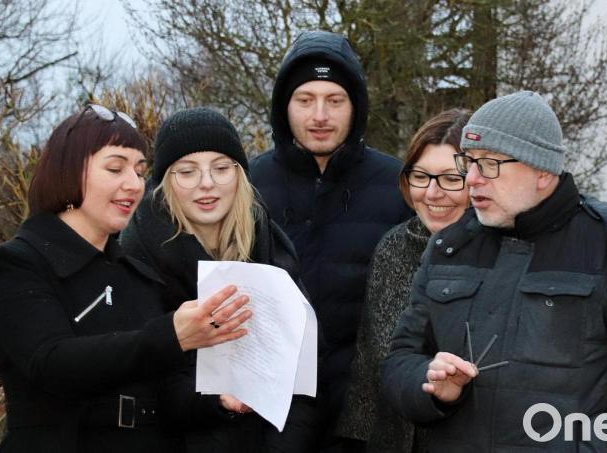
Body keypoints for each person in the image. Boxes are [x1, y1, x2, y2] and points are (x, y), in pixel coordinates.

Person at [383, 91, 607, 452]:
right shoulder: (450, 246)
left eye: (489, 164)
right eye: (469, 162)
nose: (472, 178)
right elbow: (400, 361)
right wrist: (430, 386)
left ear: (542, 171)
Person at [0, 104, 252, 452]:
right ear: (68, 170)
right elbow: (51, 363)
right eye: (115, 168)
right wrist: (169, 336)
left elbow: (167, 394)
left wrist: (218, 401)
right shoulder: (18, 263)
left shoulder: (139, 276)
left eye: (139, 171)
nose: (134, 185)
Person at [250, 30, 413, 452]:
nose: (320, 115)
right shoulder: (247, 184)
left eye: (335, 100)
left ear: (355, 106)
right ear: (284, 107)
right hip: (271, 411)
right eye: (305, 99)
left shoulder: (398, 185)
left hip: (365, 416)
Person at [120, 107, 317, 452]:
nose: (207, 183)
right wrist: (215, 403)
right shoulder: (136, 257)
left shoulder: (269, 244)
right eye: (187, 171)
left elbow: (304, 374)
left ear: (240, 175)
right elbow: (143, 380)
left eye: (222, 168)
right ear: (165, 181)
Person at [336, 109, 470, 453]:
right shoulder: (394, 247)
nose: (433, 193)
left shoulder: (505, 254)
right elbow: (369, 365)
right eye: (421, 176)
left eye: (451, 179)